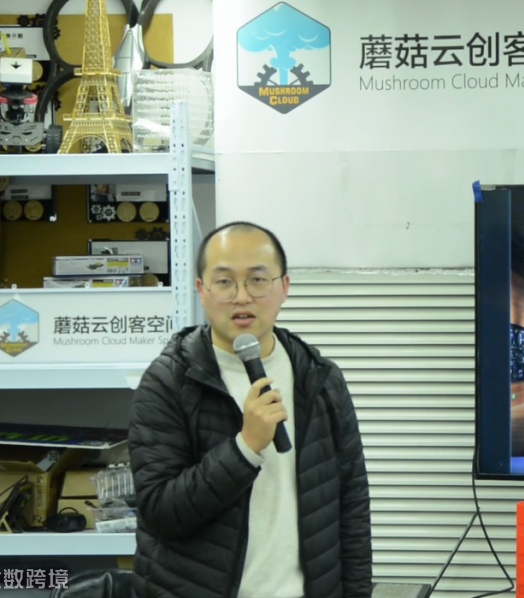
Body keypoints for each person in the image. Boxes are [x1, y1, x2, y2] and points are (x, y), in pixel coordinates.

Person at [128, 221, 372, 598]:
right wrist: (244, 448)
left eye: (258, 280)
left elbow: (351, 508)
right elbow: (161, 515)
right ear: (202, 291)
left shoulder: (320, 379)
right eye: (224, 282)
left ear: (284, 287)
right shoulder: (168, 382)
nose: (242, 297)